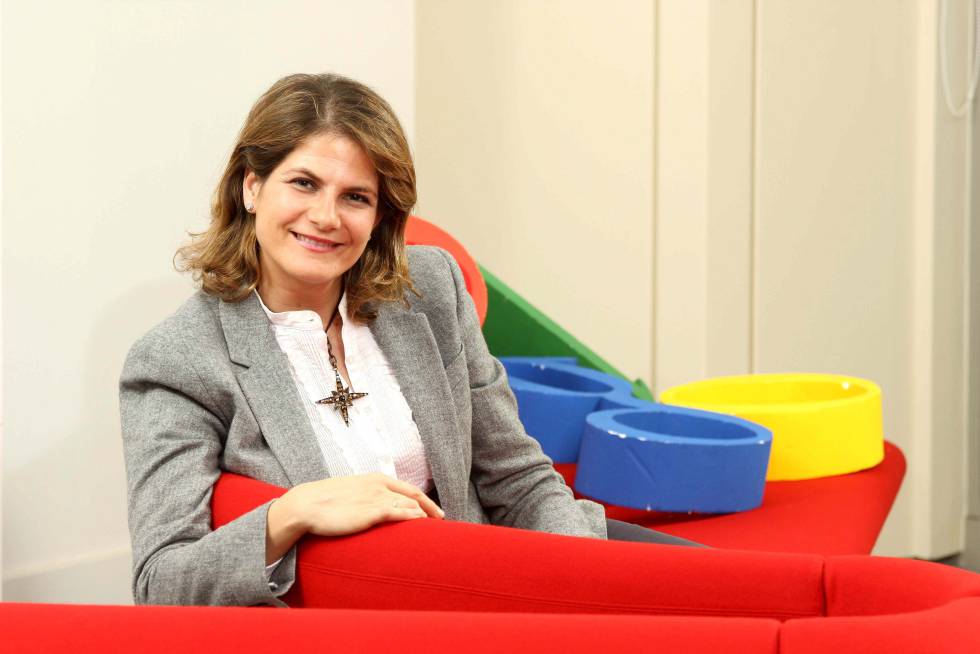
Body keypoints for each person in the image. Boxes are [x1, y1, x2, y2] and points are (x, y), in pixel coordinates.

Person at [119, 72, 699, 608]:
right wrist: (289, 515)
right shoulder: (178, 360)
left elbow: (516, 477)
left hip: (495, 581)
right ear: (252, 187)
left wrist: (586, 582)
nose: (326, 216)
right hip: (361, 619)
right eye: (304, 183)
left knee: (722, 595)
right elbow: (161, 582)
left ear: (380, 215)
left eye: (356, 197)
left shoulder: (430, 287)